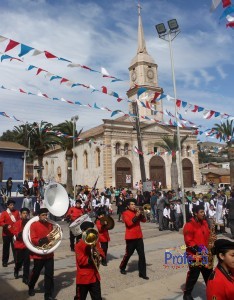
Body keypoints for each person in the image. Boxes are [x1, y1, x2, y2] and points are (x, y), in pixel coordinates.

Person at [183, 205, 213, 300]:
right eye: (201, 212)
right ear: (195, 213)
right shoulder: (189, 225)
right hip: (193, 254)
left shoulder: (204, 223)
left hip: (205, 254)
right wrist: (201, 251)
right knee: (194, 275)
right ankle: (187, 294)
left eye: (203, 212)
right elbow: (189, 242)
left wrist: (212, 241)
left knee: (208, 275)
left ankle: (212, 293)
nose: (203, 214)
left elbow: (208, 236)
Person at [28, 208, 55, 300]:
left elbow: (52, 236)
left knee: (49, 274)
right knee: (36, 273)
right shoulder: (34, 225)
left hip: (49, 253)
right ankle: (31, 286)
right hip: (38, 254)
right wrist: (45, 239)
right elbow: (34, 239)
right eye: (43, 215)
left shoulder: (50, 224)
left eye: (46, 215)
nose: (45, 217)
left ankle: (48, 295)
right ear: (38, 216)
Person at [74, 221, 105, 300]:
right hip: (83, 277)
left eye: (92, 230)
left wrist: (100, 255)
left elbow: (100, 250)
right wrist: (91, 259)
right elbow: (81, 261)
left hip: (94, 275)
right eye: (89, 230)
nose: (91, 233)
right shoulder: (79, 244)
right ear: (84, 232)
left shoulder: (95, 240)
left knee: (97, 298)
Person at [119, 198, 149, 279]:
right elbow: (129, 224)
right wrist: (136, 216)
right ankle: (122, 267)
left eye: (134, 204)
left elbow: (144, 220)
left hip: (139, 236)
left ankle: (142, 273)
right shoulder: (125, 213)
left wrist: (142, 214)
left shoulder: (137, 212)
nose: (134, 206)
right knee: (128, 254)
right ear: (128, 206)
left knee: (142, 255)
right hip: (130, 237)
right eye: (132, 204)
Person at [11, 207, 30, 284]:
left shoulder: (30, 223)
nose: (25, 215)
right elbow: (17, 234)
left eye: (26, 213)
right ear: (21, 214)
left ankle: (25, 277)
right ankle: (16, 269)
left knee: (27, 262)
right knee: (19, 262)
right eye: (24, 213)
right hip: (19, 246)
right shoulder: (17, 223)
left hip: (27, 246)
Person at [0, 199, 20, 267]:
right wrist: (5, 225)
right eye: (11, 205)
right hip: (6, 234)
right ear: (8, 206)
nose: (12, 206)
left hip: (14, 233)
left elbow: (19, 221)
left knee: (15, 247)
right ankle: (5, 261)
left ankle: (16, 260)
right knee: (6, 248)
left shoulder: (17, 212)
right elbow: (1, 222)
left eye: (13, 205)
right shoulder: (4, 213)